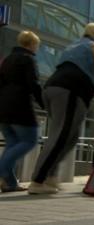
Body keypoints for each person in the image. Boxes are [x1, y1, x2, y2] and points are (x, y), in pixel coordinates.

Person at [28, 23, 94, 194]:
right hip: (69, 93)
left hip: (54, 89)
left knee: (71, 137)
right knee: (61, 136)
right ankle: (38, 180)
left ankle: (50, 177)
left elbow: (83, 76)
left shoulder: (73, 47)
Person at [0, 31, 43, 192]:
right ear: (32, 44)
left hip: (3, 108)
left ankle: (10, 183)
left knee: (12, 143)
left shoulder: (7, 60)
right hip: (20, 107)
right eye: (37, 45)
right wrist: (44, 103)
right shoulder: (28, 59)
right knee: (30, 140)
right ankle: (2, 171)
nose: (37, 48)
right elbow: (34, 84)